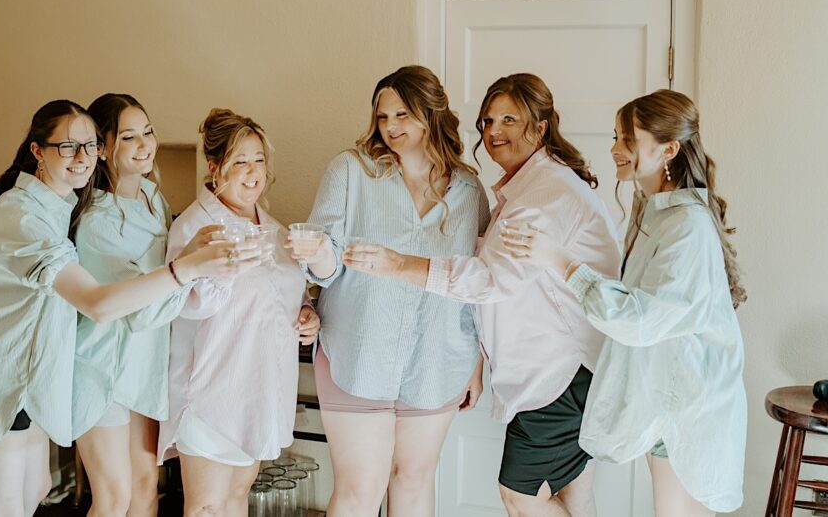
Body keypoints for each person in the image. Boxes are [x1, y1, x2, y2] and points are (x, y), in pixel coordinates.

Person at [0, 100, 259, 517]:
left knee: (36, 489)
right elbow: (99, 304)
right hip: (0, 369)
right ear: (38, 151)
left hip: (34, 371)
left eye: (88, 146)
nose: (82, 157)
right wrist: (187, 269)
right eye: (69, 147)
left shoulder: (64, 205)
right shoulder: (26, 216)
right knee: (7, 506)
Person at [345, 74, 620, 517]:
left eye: (509, 119)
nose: (494, 132)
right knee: (573, 496)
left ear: (542, 125)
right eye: (488, 120)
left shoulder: (547, 194)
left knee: (520, 495)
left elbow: (493, 281)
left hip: (562, 375)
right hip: (562, 372)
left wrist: (398, 264)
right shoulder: (527, 187)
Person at [505, 89, 747, 516]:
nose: (615, 149)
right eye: (616, 137)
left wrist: (559, 261)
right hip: (671, 402)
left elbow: (640, 318)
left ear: (668, 149)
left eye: (628, 140)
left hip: (690, 407)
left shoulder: (686, 226)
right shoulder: (656, 213)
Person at [293, 66, 488, 517]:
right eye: (383, 117)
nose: (392, 127)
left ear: (432, 113)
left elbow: (477, 284)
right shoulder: (351, 170)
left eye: (403, 114)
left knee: (414, 482)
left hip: (439, 358)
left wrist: (477, 362)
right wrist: (317, 250)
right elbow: (323, 266)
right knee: (360, 489)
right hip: (357, 353)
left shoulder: (469, 191)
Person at [159, 108, 320, 517]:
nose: (253, 173)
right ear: (214, 168)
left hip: (260, 388)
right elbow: (187, 303)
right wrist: (229, 266)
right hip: (213, 387)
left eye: (259, 160)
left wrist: (306, 315)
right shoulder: (196, 229)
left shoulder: (276, 231)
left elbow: (286, 295)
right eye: (240, 162)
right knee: (206, 506)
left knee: (236, 497)